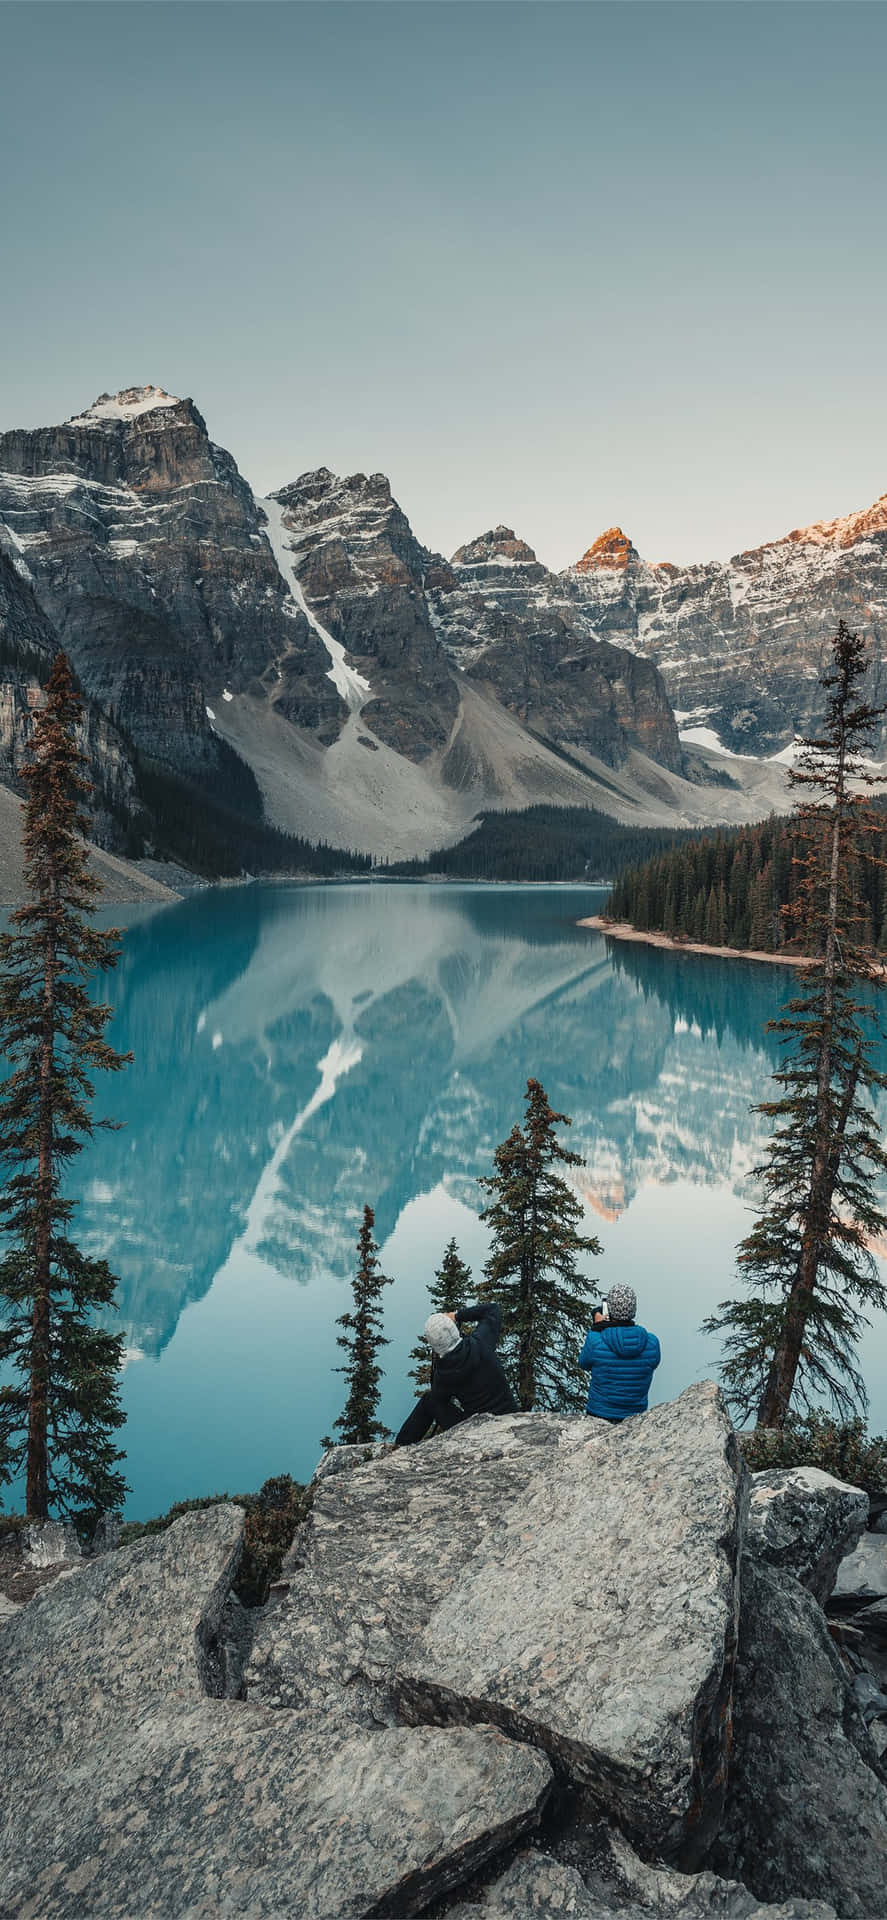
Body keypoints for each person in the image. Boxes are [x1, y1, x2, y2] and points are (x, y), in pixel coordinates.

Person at [395, 1301, 517, 1446]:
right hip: (511, 1419)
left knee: (429, 1400)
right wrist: (457, 1315)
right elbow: (493, 1309)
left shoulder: (444, 1375)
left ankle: (402, 1444)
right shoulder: (481, 1342)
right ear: (454, 1330)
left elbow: (438, 1399)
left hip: (479, 1434)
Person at [577, 1284, 660, 1423]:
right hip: (636, 1416)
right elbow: (652, 1364)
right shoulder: (652, 1343)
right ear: (633, 1310)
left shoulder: (596, 1340)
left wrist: (597, 1328)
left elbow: (583, 1363)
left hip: (599, 1414)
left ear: (609, 1309)